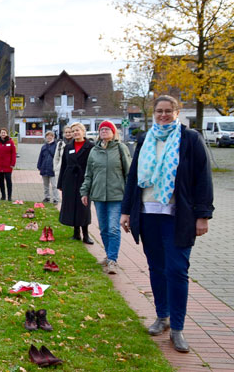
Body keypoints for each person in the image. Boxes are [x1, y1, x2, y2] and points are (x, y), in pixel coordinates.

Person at [120, 96, 214, 353]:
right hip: (148, 214)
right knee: (156, 268)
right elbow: (134, 178)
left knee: (176, 270)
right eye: (159, 111)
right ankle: (162, 316)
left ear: (176, 112)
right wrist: (126, 211)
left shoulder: (190, 139)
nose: (163, 115)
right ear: (153, 113)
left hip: (178, 216)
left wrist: (203, 215)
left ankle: (178, 328)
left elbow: (202, 178)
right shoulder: (144, 139)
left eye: (168, 111)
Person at [80, 121, 131, 274]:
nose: (104, 131)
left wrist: (130, 195)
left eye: (107, 129)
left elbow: (129, 172)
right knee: (103, 228)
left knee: (114, 228)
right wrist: (85, 191)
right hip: (99, 195)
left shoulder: (120, 148)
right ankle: (109, 255)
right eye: (101, 129)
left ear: (114, 132)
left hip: (117, 195)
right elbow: (89, 173)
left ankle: (113, 260)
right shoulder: (94, 151)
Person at [57, 123, 94, 244]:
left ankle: (86, 234)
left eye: (77, 130)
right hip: (70, 180)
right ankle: (76, 233)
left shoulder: (90, 147)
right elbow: (64, 165)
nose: (75, 133)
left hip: (84, 180)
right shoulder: (68, 147)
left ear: (83, 131)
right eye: (73, 131)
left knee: (83, 207)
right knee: (72, 206)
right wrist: (60, 183)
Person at [0, 127, 17, 201]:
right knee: (1, 181)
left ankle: (9, 197)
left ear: (6, 134)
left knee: (8, 181)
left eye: (4, 133)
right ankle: (3, 196)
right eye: (2, 132)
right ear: (0, 134)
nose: (3, 134)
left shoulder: (10, 142)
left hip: (8, 165)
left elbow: (13, 154)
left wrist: (13, 163)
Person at [52, 125, 73, 204]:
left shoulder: (75, 143)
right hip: (61, 171)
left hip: (72, 171)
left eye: (70, 132)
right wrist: (56, 168)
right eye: (66, 132)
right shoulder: (60, 144)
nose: (68, 134)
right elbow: (56, 158)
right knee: (63, 192)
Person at [37, 131, 58, 203]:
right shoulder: (44, 146)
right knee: (46, 185)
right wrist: (39, 166)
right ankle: (47, 197)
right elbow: (40, 157)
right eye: (47, 136)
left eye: (50, 136)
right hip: (44, 168)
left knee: (54, 185)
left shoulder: (56, 146)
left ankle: (56, 198)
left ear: (53, 137)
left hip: (52, 169)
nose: (49, 137)